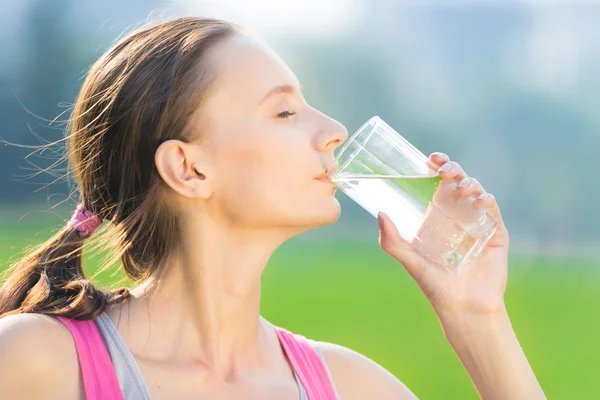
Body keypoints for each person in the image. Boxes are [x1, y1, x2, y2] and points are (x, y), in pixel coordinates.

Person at [0, 17, 545, 399]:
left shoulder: (351, 388)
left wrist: (477, 318)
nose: (334, 131)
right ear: (189, 169)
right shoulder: (34, 363)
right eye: (284, 112)